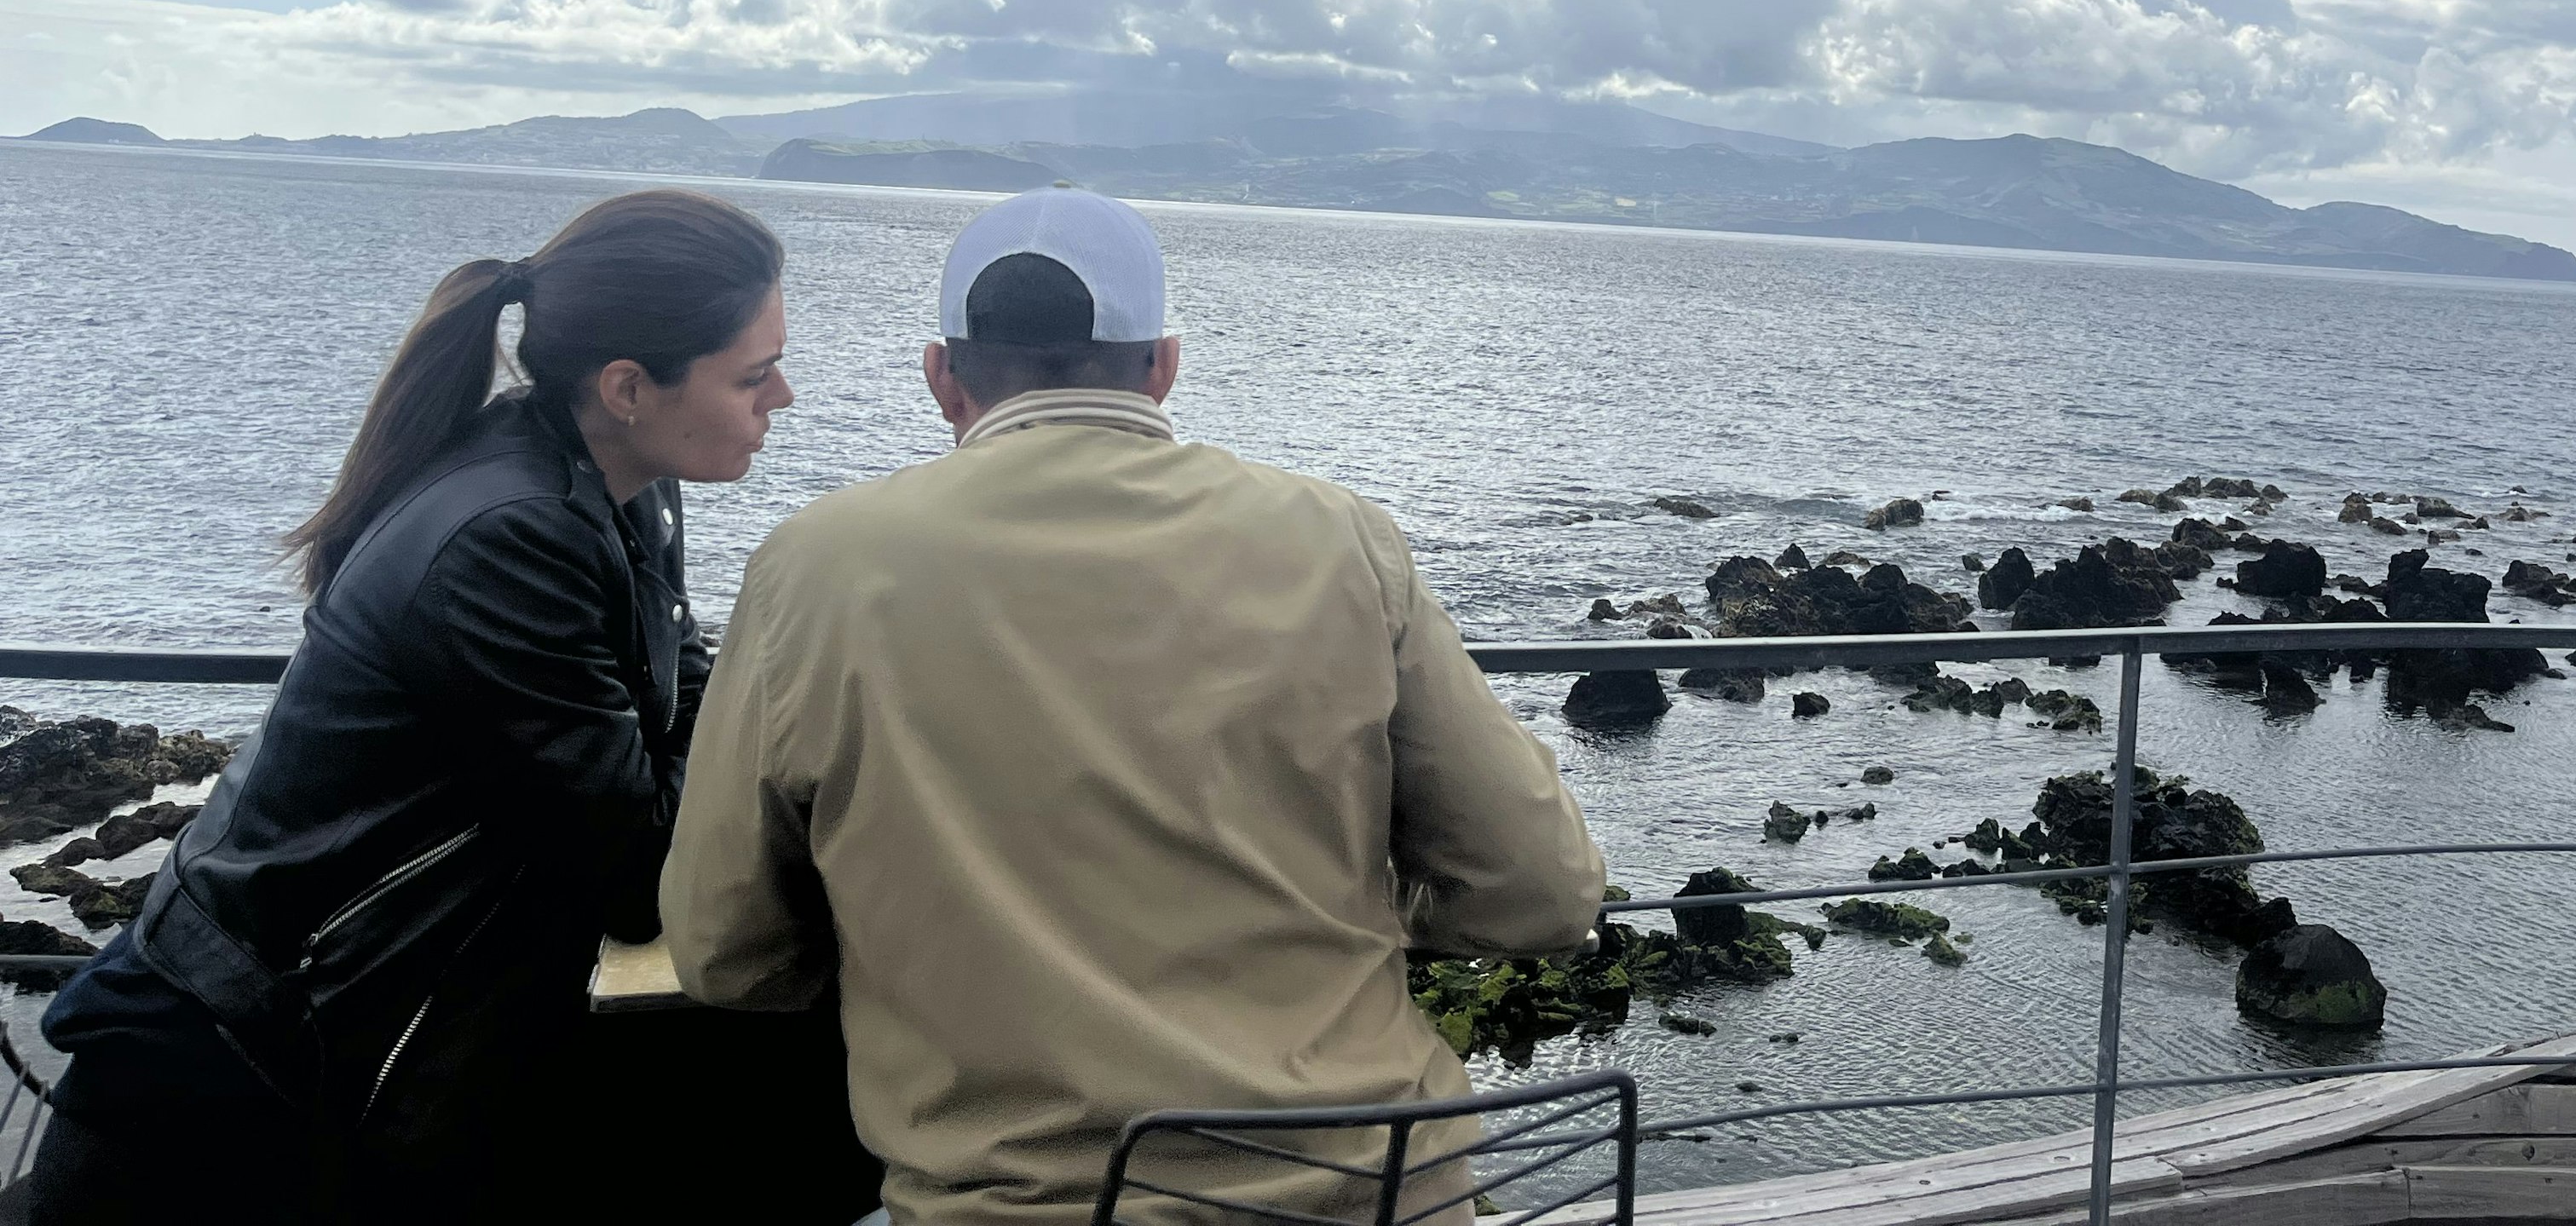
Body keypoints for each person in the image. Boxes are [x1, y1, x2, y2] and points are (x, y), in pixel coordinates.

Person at [662, 187, 1608, 1226]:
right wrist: (1363, 915)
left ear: (942, 377)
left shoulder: (814, 568)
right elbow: (1541, 894)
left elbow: (725, 951)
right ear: (1163, 367)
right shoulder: (1344, 541)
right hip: (1378, 1194)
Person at [34, 188, 792, 1226]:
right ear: (627, 387)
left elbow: (680, 698)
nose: (783, 397)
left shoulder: (617, 493)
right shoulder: (509, 539)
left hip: (346, 1052)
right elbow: (639, 870)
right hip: (232, 1094)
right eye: (753, 375)